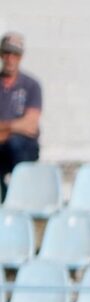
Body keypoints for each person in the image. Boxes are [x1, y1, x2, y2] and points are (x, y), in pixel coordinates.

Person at [0, 32, 42, 199]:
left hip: (23, 148)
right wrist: (16, 126)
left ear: (21, 57)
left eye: (15, 54)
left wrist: (5, 129)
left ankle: (23, 195)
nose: (10, 59)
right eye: (7, 53)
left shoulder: (31, 85)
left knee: (16, 143)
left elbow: (30, 125)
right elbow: (23, 124)